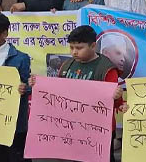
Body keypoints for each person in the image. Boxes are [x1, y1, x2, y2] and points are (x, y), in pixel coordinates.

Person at [29, 25, 123, 162]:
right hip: (73, 128)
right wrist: (38, 84)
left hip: (99, 130)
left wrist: (117, 96)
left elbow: (116, 103)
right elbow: (57, 92)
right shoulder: (67, 65)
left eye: (79, 48)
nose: (74, 52)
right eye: (71, 47)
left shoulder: (106, 69)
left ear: (93, 46)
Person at [0, 12, 30, 162]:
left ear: (4, 34)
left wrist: (24, 88)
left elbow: (29, 85)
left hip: (14, 124)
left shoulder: (21, 58)